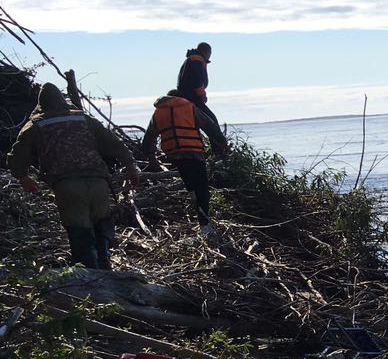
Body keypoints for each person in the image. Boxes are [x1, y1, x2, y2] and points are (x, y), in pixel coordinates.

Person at [6, 82, 139, 269]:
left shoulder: (35, 125)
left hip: (67, 186)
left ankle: (90, 276)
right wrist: (131, 167)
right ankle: (105, 265)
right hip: (99, 182)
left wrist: (23, 177)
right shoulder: (84, 119)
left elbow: (17, 157)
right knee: (101, 223)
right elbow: (114, 143)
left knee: (79, 230)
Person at [140, 89, 230, 237]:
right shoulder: (189, 106)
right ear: (180, 97)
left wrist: (151, 157)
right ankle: (205, 226)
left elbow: (148, 138)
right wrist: (222, 143)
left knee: (191, 185)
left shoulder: (158, 112)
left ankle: (195, 202)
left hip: (174, 154)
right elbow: (210, 126)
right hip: (194, 152)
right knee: (202, 188)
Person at [176, 42, 217, 123]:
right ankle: (217, 136)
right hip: (192, 97)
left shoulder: (192, 59)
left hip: (185, 96)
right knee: (211, 120)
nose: (210, 55)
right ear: (205, 51)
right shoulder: (197, 61)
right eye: (210, 52)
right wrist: (202, 95)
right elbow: (197, 81)